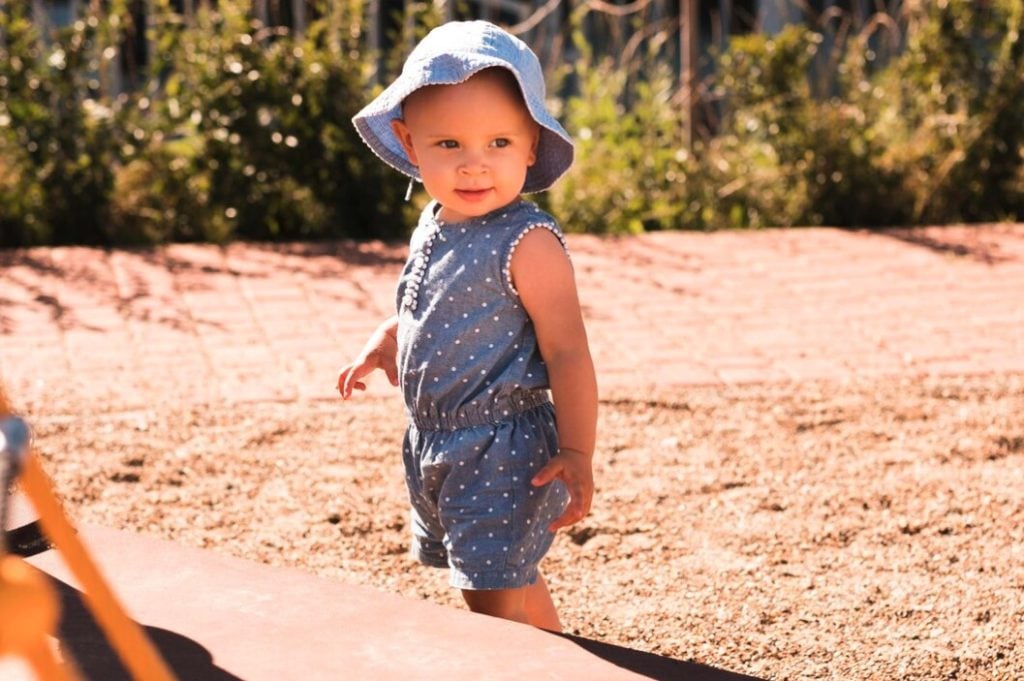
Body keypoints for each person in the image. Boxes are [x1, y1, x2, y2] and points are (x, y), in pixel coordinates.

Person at [337, 21, 597, 632]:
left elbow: (567, 352)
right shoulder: (433, 222)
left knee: (489, 609)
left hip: (499, 450)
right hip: (434, 442)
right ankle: (561, 663)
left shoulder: (527, 242)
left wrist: (578, 450)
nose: (475, 166)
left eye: (499, 143)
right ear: (408, 142)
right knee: (512, 577)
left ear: (532, 145)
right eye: (449, 145)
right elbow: (427, 306)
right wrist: (387, 340)